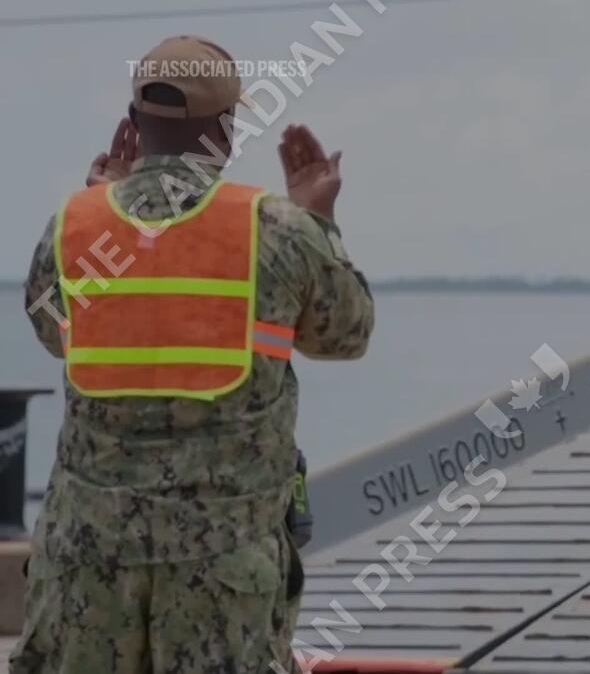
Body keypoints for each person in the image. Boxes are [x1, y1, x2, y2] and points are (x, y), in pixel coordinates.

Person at [9, 35, 374, 674]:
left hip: (87, 570)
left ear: (133, 123)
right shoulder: (277, 229)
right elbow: (347, 334)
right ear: (226, 131)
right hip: (223, 575)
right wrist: (319, 221)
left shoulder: (76, 228)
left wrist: (106, 209)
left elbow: (52, 332)